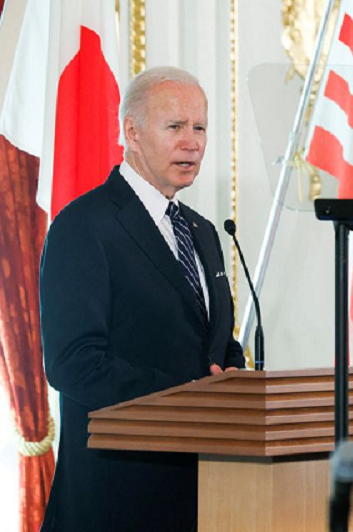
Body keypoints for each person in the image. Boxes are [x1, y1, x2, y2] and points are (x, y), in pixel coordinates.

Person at [39, 66, 244, 532]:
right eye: (175, 127)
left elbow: (216, 343)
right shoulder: (84, 226)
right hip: (117, 499)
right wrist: (190, 399)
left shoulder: (204, 232)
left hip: (208, 495)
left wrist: (233, 379)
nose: (192, 142)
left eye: (200, 128)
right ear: (131, 132)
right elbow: (74, 363)